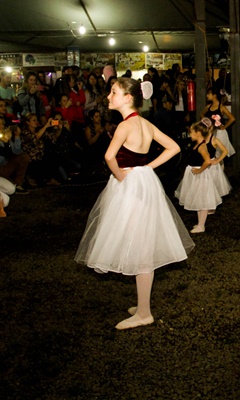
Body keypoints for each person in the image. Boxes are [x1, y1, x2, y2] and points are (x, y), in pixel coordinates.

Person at [75, 78, 194, 330]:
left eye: (114, 92)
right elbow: (173, 147)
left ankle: (144, 313)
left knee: (138, 245)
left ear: (128, 98)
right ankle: (142, 307)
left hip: (131, 184)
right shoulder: (145, 123)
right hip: (145, 182)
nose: (109, 96)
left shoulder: (124, 126)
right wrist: (147, 168)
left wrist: (120, 176)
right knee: (142, 242)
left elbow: (108, 156)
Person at [175, 119, 223, 233]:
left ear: (198, 133)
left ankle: (202, 225)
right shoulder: (197, 144)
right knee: (198, 199)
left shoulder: (202, 146)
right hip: (195, 174)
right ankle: (200, 224)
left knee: (203, 200)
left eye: (191, 132)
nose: (190, 134)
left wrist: (200, 170)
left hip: (200, 176)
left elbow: (207, 161)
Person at [203, 88, 236, 158]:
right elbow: (202, 115)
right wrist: (207, 122)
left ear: (214, 95)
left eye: (209, 94)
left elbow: (232, 118)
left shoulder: (221, 107)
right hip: (210, 132)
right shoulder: (208, 106)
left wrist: (224, 127)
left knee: (219, 153)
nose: (207, 95)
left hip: (219, 131)